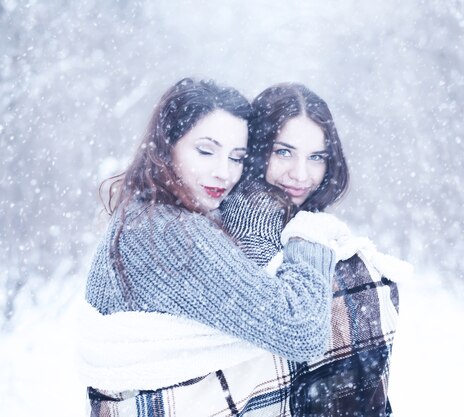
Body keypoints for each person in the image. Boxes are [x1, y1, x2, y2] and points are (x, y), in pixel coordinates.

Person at [80, 78, 348, 417]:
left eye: (236, 157)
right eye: (206, 151)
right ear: (166, 145)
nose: (223, 172)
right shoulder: (169, 232)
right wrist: (311, 237)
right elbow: (302, 330)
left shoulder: (147, 212)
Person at [221, 83, 406, 416]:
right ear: (256, 149)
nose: (301, 174)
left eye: (316, 157)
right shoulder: (254, 209)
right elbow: (286, 321)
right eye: (283, 152)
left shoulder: (293, 214)